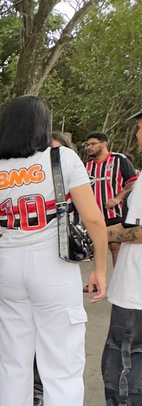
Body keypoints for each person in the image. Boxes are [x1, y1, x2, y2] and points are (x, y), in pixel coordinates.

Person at [0, 96, 107, 406]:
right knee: (61, 367)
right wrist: (99, 269)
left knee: (12, 364)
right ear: (42, 126)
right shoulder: (62, 159)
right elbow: (94, 220)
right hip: (54, 268)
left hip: (8, 267)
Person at [102, 107, 142, 405]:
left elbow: (139, 232)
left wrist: (100, 233)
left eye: (139, 128)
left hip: (134, 293)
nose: (138, 135)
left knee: (123, 369)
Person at [85, 131, 137, 265]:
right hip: (95, 214)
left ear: (103, 144)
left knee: (115, 247)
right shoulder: (86, 165)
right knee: (96, 247)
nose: (89, 147)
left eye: (93, 144)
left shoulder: (119, 159)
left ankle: (117, 279)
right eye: (87, 144)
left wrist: (118, 198)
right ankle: (97, 282)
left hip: (114, 212)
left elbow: (132, 181)